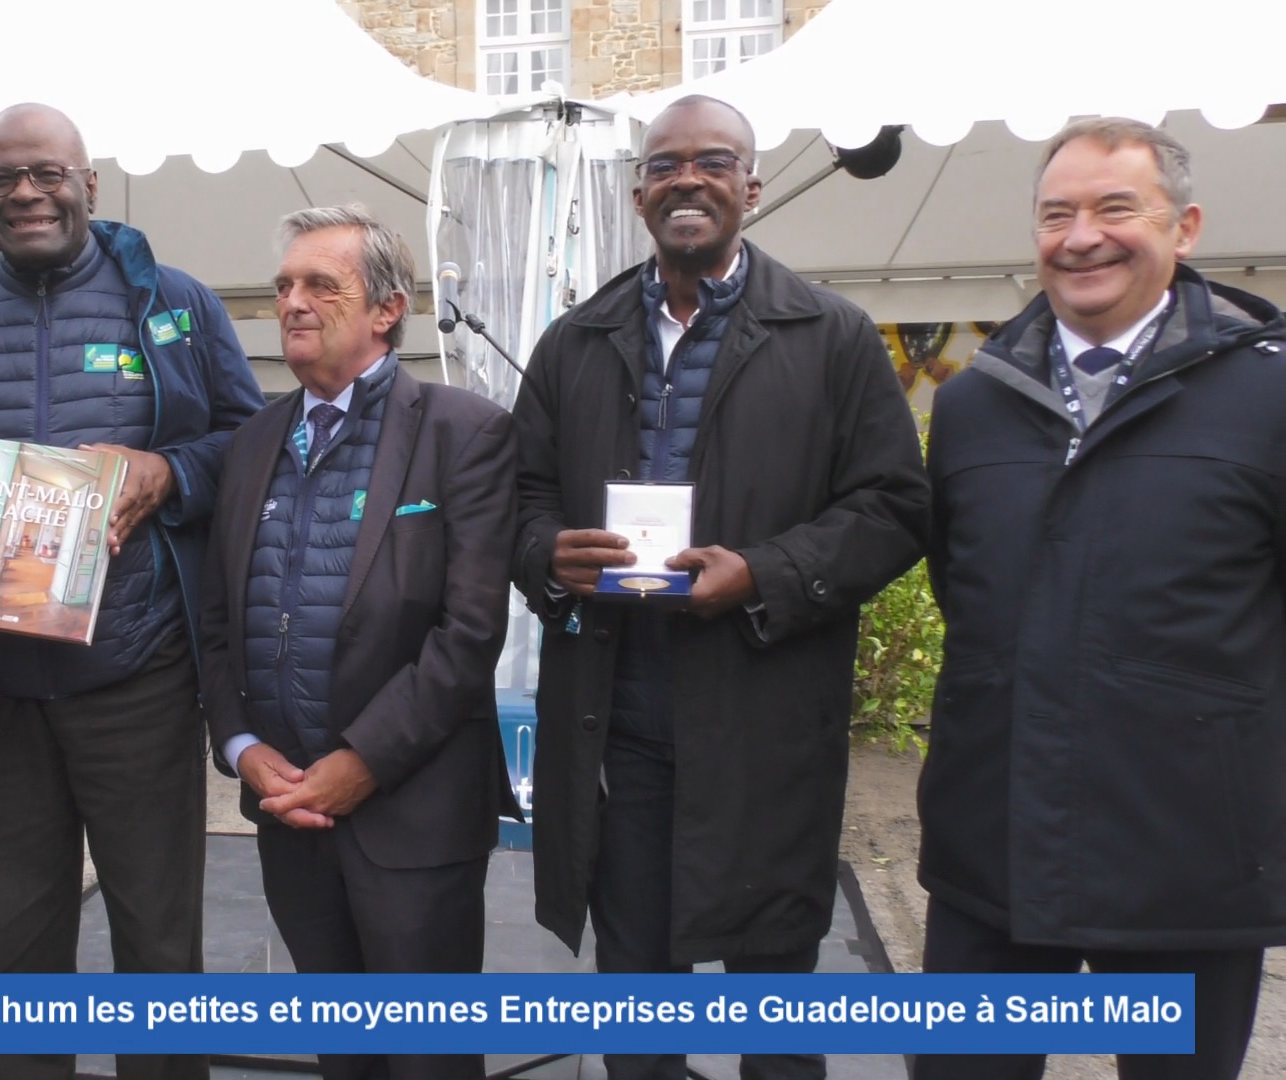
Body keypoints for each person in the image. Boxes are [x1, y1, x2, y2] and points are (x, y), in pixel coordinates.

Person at [510, 94, 929, 1080]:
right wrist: (548, 559)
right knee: (638, 1007)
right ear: (638, 192)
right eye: (663, 165)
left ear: (752, 184)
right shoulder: (576, 341)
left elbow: (895, 507)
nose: (685, 179)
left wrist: (763, 575)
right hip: (618, 729)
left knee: (776, 1009)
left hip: (764, 725)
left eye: (711, 161)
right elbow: (520, 496)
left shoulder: (833, 335)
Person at [914, 117, 1286, 1080]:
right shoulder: (969, 405)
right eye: (1056, 214)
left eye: (1116, 207)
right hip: (990, 847)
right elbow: (967, 591)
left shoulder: (1268, 397)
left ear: (1186, 226)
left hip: (1187, 856)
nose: (1082, 236)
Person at [0, 102, 262, 1080]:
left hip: (135, 671)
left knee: (155, 933)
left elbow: (250, 446)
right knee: (19, 935)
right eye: (4, 176)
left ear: (88, 184)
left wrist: (165, 475)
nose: (25, 191)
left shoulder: (173, 302)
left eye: (46, 173)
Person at [200, 206, 518, 1080]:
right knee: (345, 1056)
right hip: (287, 811)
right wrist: (242, 747)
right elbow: (219, 622)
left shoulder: (465, 433)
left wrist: (362, 763)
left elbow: (469, 632)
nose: (293, 303)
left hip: (411, 819)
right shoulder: (252, 442)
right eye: (284, 287)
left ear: (387, 308)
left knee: (428, 1060)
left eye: (320, 286)